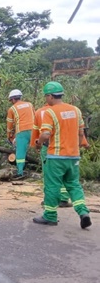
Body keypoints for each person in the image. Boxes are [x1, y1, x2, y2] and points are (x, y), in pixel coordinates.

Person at [32, 81, 91, 229]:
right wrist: (75, 148)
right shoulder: (76, 111)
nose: (46, 99)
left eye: (46, 96)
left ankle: (50, 216)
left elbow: (45, 133)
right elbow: (81, 133)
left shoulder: (50, 112)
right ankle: (83, 212)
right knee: (74, 185)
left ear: (51, 96)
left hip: (56, 156)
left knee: (52, 186)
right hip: (73, 156)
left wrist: (38, 143)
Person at [6, 89, 34, 179]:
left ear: (13, 99)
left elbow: (10, 125)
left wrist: (9, 135)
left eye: (11, 100)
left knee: (20, 152)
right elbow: (35, 116)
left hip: (21, 131)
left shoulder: (12, 109)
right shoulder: (30, 104)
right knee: (41, 149)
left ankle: (20, 172)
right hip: (34, 130)